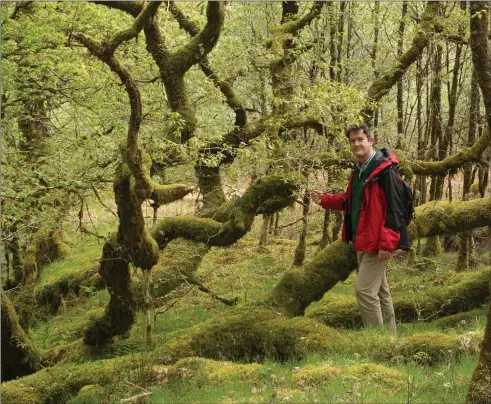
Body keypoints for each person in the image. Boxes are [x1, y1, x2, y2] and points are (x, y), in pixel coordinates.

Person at [310, 123, 409, 334]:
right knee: (381, 293)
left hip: (376, 244)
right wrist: (325, 199)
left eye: (360, 140)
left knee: (364, 291)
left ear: (370, 141)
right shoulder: (359, 170)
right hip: (361, 242)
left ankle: (377, 341)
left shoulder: (384, 171)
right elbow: (351, 202)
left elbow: (394, 209)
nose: (356, 144)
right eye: (353, 141)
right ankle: (390, 340)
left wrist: (387, 244)